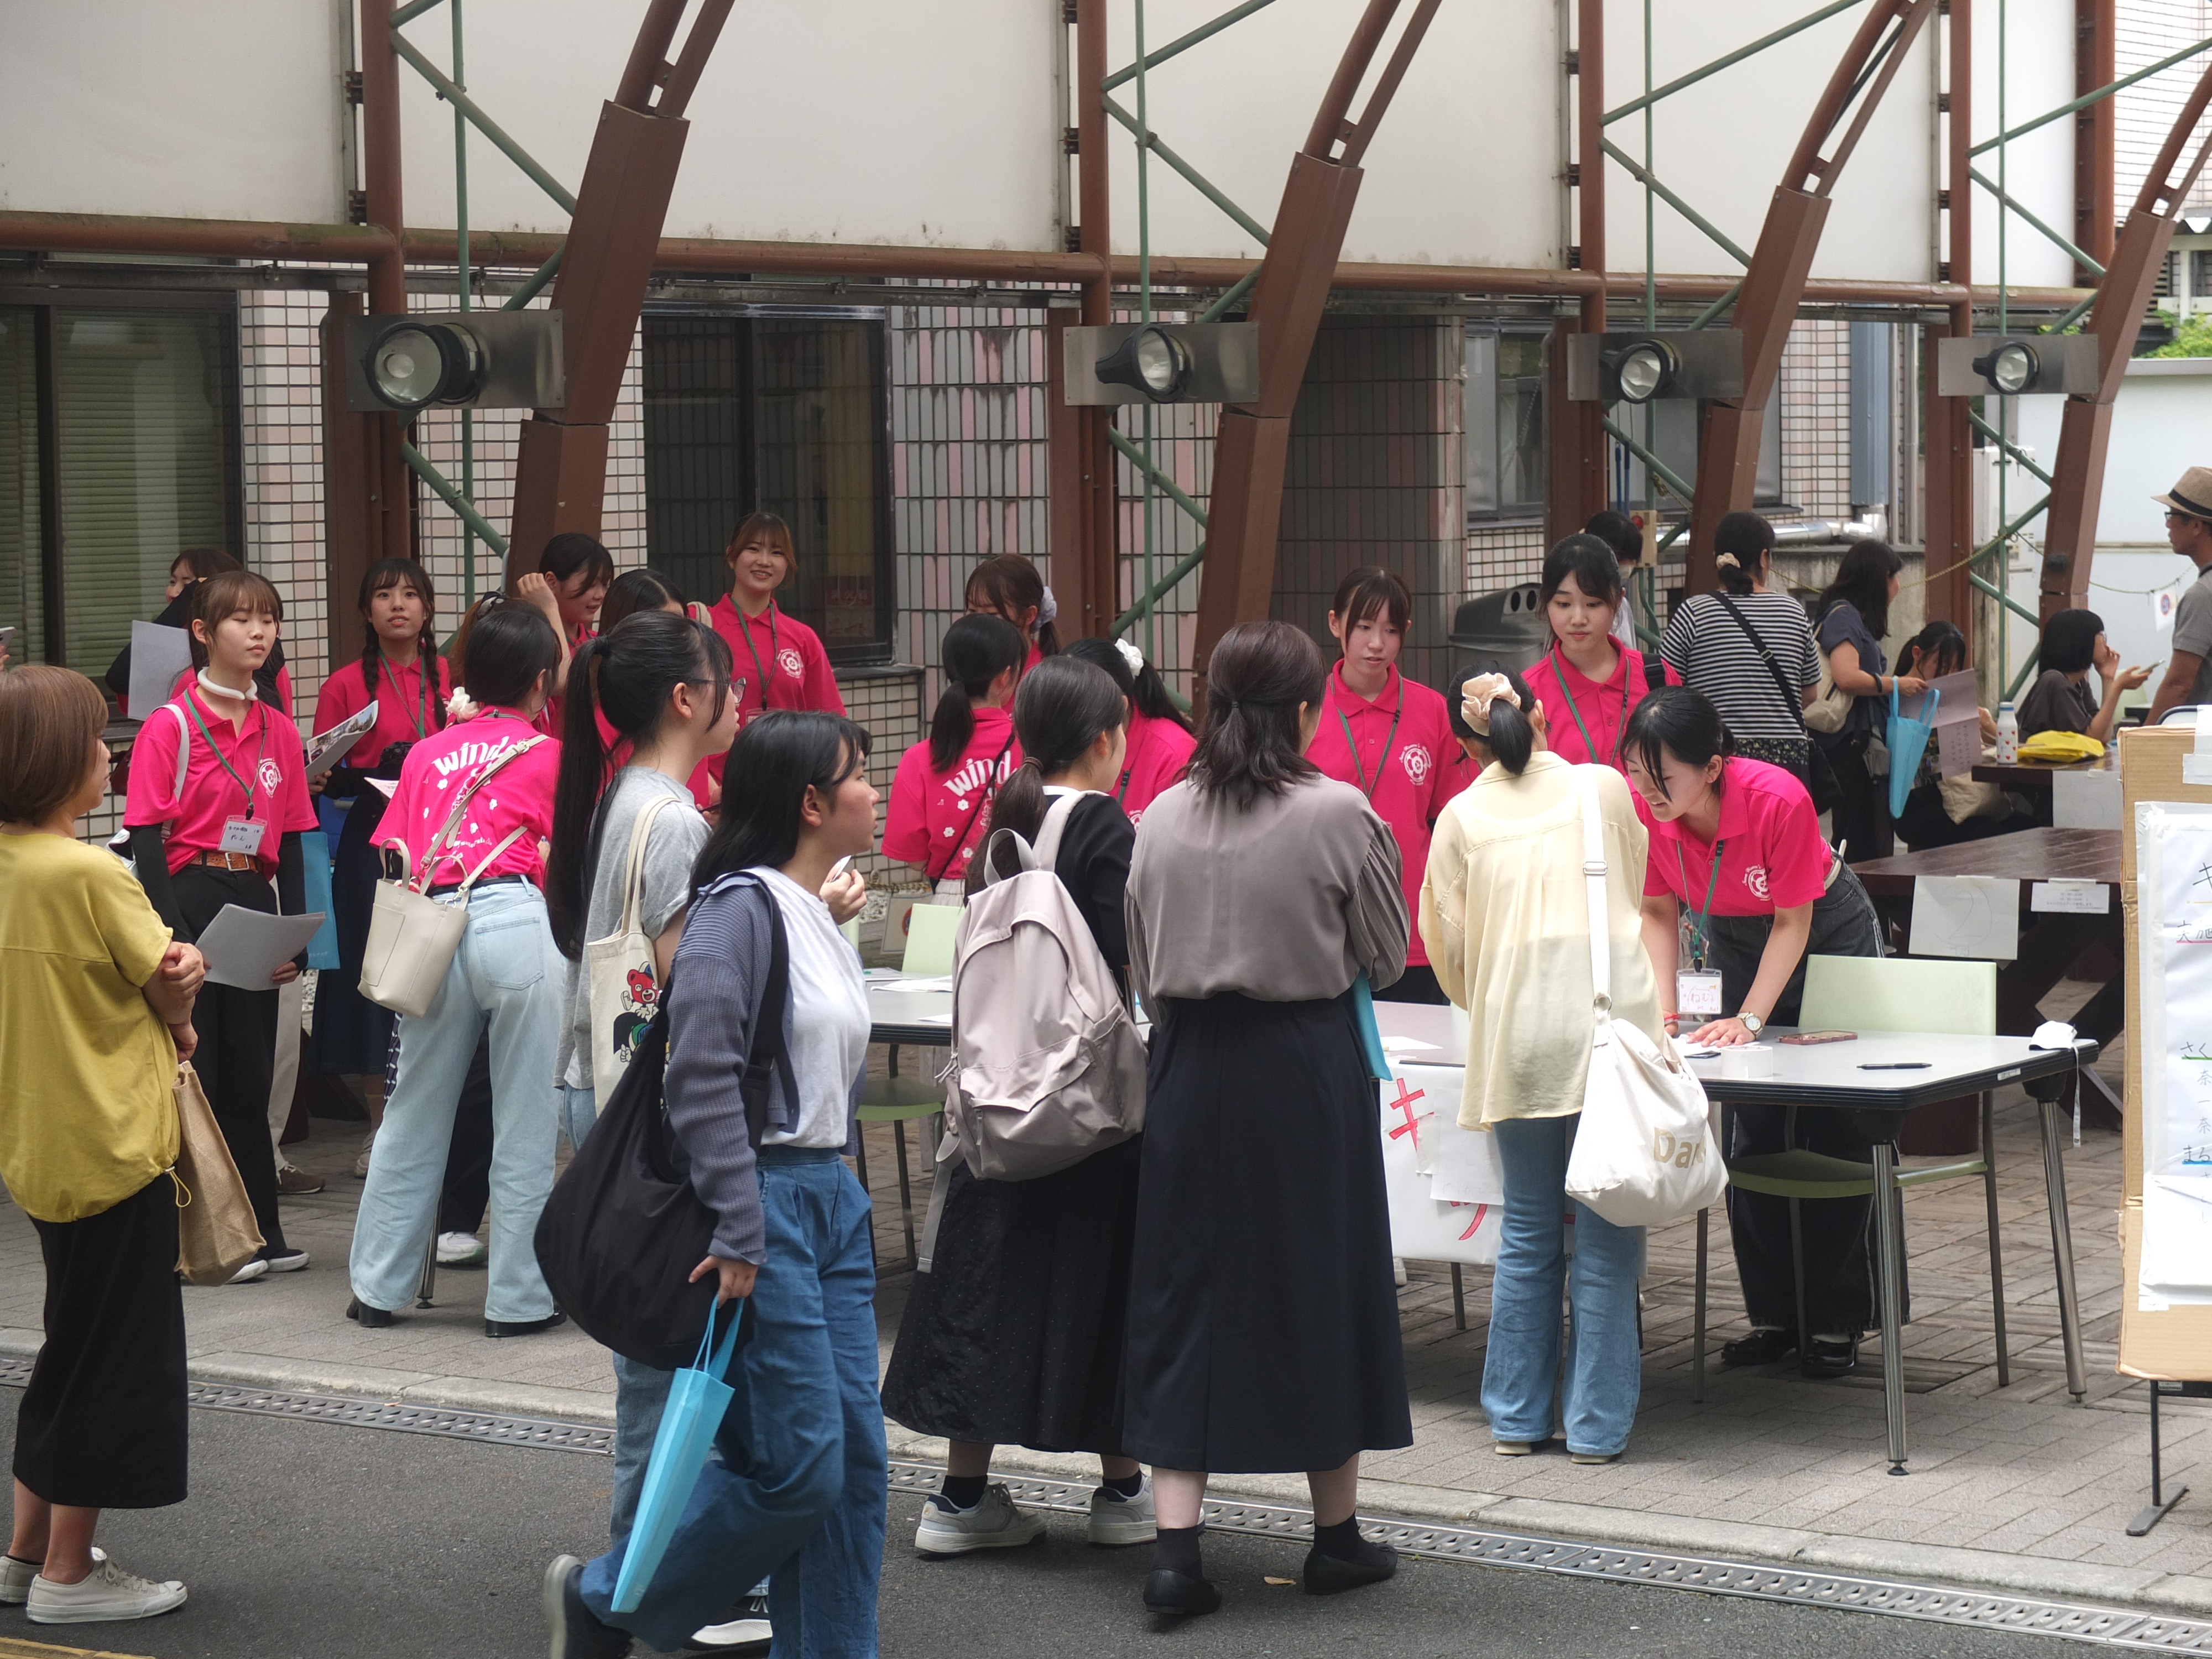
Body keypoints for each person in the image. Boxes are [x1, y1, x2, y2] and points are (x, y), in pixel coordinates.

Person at [545, 711, 886, 1659]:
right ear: (812, 803)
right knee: (803, 1466)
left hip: (831, 1198)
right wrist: (739, 1225)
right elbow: (698, 1076)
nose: (873, 788)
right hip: (767, 1201)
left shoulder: (806, 907)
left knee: (855, 1467)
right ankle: (610, 1595)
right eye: (858, 775)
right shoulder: (736, 910)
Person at [1121, 619, 1412, 1617]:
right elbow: (1387, 951)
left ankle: (1175, 1555)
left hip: (1191, 1065)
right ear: (1304, 708)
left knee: (1181, 1291)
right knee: (1317, 1277)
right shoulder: (1339, 813)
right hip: (1304, 1068)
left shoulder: (1158, 815)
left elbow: (1140, 956)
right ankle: (1335, 1536)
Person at [883, 656, 1155, 1554]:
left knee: (988, 1285)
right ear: (1107, 739)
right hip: (1081, 1104)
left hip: (998, 1098)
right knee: (1100, 1283)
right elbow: (1127, 962)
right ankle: (1120, 1491)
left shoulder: (1010, 821)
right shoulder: (1106, 826)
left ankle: (962, 1498)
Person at [1, 667, 204, 1626]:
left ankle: (25, 1550)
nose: (106, 751)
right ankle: (69, 1577)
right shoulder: (90, 873)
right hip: (118, 1144)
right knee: (114, 1356)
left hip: (40, 1143)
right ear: (50, 761)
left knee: (72, 1343)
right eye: (92, 738)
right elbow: (164, 980)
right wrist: (189, 981)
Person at [1422, 669, 1657, 1465]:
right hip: (1606, 1041)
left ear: (1466, 746)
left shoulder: (1459, 816)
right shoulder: (1604, 790)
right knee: (1607, 1231)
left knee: (1527, 1230)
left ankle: (1517, 1420)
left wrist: (1491, 997)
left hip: (1516, 1039)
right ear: (1542, 715)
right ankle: (1596, 1427)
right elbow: (1632, 888)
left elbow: (1448, 951)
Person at [1625, 687, 1886, 1379]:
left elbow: (1794, 922)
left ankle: (1836, 1321)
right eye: (1636, 776)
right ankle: (1773, 1317)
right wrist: (1666, 1011)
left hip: (1823, 933)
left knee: (1836, 1128)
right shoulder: (1650, 814)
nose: (1648, 792)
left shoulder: (1776, 799)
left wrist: (1747, 1018)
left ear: (1711, 767)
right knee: (1754, 1129)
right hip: (1737, 940)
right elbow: (1657, 911)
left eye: (1662, 778)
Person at [345, 597, 566, 1336]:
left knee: (414, 1113)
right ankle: (517, 1302)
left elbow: (395, 850)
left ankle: (377, 1289)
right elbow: (569, 854)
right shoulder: (547, 753)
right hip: (514, 919)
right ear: (540, 682)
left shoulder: (428, 751)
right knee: (527, 1118)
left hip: (434, 927)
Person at [123, 570, 315, 1284]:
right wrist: (173, 934)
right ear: (203, 632)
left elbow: (293, 835)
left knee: (250, 1072)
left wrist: (295, 935)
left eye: (268, 618)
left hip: (252, 895)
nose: (259, 632)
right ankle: (208, 1240)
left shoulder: (280, 729)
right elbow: (145, 838)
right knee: (198, 1070)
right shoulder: (172, 724)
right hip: (191, 890)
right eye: (241, 620)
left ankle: (263, 1232)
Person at [308, 557, 452, 1180]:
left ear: (427, 610)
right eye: (385, 595)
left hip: (436, 833)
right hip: (372, 834)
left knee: (437, 969)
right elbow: (321, 768)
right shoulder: (344, 683)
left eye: (412, 595)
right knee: (378, 971)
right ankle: (379, 1129)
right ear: (366, 611)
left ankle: (433, 1121)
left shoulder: (447, 675)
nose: (399, 605)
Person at [1305, 567, 1458, 1004]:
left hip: (1413, 932)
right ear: (1336, 624)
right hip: (1325, 926)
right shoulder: (1305, 709)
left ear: (1406, 632)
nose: (1376, 644)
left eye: (1390, 630)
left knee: (1418, 1070)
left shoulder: (1432, 710)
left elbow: (1449, 819)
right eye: (1364, 628)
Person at [1659, 511, 1820, 786]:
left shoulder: (1693, 613)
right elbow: (1810, 693)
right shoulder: (1793, 612)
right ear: (1764, 558)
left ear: (1717, 557)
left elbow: (1667, 688)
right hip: (1786, 763)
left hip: (1717, 757)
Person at [883, 613, 1027, 895]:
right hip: (1023, 894)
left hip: (951, 901)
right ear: (1006, 677)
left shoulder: (919, 757)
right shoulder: (1032, 745)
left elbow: (916, 860)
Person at [1521, 533, 1673, 773]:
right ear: (1546, 603)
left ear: (1619, 600)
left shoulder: (1658, 677)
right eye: (1563, 604)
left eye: (1593, 604)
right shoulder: (1526, 695)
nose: (1578, 619)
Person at [1814, 540, 1916, 862]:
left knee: (1864, 835)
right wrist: (1896, 685)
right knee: (1861, 839)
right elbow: (1846, 676)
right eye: (1895, 578)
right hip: (1853, 747)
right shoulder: (1845, 617)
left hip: (1858, 745)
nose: (1898, 587)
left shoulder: (1847, 616)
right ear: (1881, 578)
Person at [1888, 623, 2031, 850]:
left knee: (2032, 830)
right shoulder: (1897, 697)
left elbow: (2009, 750)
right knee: (2001, 838)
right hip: (1920, 809)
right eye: (1942, 666)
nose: (1948, 675)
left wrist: (1985, 727)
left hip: (1959, 805)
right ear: (1918, 655)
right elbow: (1905, 770)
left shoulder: (1949, 699)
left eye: (1955, 669)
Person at [106, 547, 291, 716]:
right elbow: (119, 678)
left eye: (188, 585)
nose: (174, 592)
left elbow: (283, 723)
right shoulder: (173, 641)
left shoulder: (262, 654)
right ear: (200, 630)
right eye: (172, 582)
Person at [1063, 634, 1196, 824]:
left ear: (1119, 704)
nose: (1068, 720)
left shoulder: (1174, 752)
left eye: (1078, 706)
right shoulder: (1063, 743)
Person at [2017, 609, 2150, 742]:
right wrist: (2118, 688)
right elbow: (2090, 738)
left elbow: (2103, 737)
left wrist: (2108, 678)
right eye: (2102, 636)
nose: (2106, 643)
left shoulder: (2080, 684)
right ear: (2082, 640)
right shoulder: (2055, 682)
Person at [2146, 467, 2212, 722]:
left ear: (2196, 525)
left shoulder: (2203, 595)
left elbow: (2179, 686)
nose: (2167, 523)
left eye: (2172, 514)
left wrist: (2144, 741)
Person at [964, 553, 1060, 672]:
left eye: (992, 614)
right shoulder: (970, 670)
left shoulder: (1045, 679)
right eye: (972, 610)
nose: (979, 623)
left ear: (1030, 615)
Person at [1585, 509, 1646, 653]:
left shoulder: (1623, 605)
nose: (1626, 566)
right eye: (1619, 559)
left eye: (1630, 559)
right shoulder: (1573, 607)